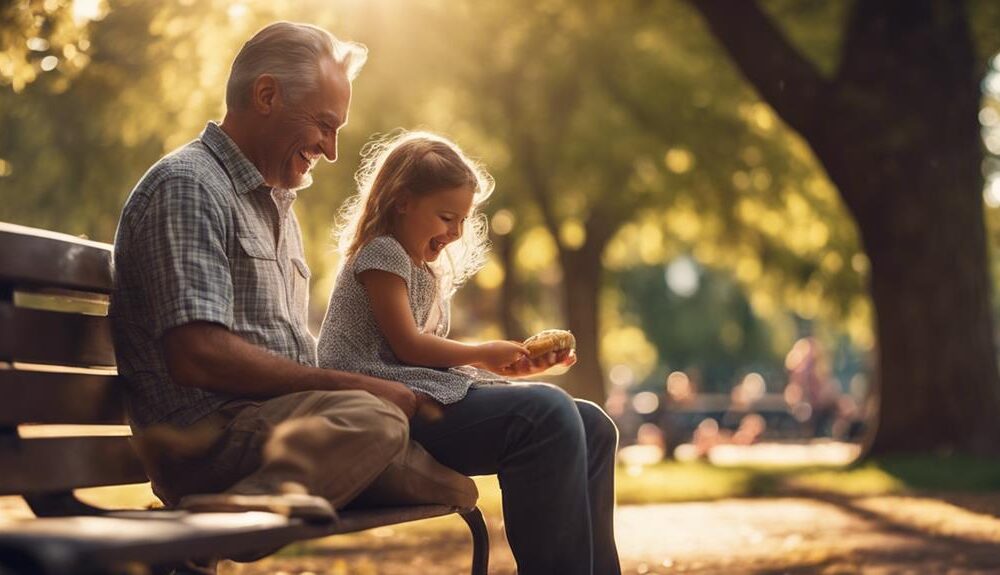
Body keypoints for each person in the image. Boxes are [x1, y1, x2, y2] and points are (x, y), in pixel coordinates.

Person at [109, 21, 477, 528]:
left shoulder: (275, 205)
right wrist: (353, 388)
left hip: (272, 425)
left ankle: (245, 510)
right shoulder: (189, 186)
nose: (331, 150)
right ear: (266, 95)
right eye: (325, 125)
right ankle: (221, 526)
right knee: (374, 420)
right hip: (208, 441)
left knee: (456, 484)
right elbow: (197, 355)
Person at [317, 131, 622, 574]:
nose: (456, 232)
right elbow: (407, 345)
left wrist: (513, 368)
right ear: (402, 201)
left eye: (462, 219)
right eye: (446, 217)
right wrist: (482, 354)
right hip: (379, 404)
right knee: (546, 410)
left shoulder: (422, 267)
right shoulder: (382, 253)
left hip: (422, 395)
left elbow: (427, 357)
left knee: (594, 425)